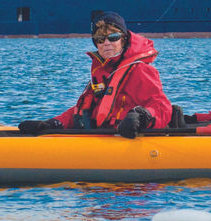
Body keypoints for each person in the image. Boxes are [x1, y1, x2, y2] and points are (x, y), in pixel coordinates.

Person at [24, 11, 173, 138]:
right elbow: (84, 110)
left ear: (123, 39)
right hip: (102, 135)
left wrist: (142, 117)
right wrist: (55, 123)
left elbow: (162, 107)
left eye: (113, 37)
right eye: (100, 39)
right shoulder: (102, 72)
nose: (106, 43)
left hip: (127, 138)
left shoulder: (139, 70)